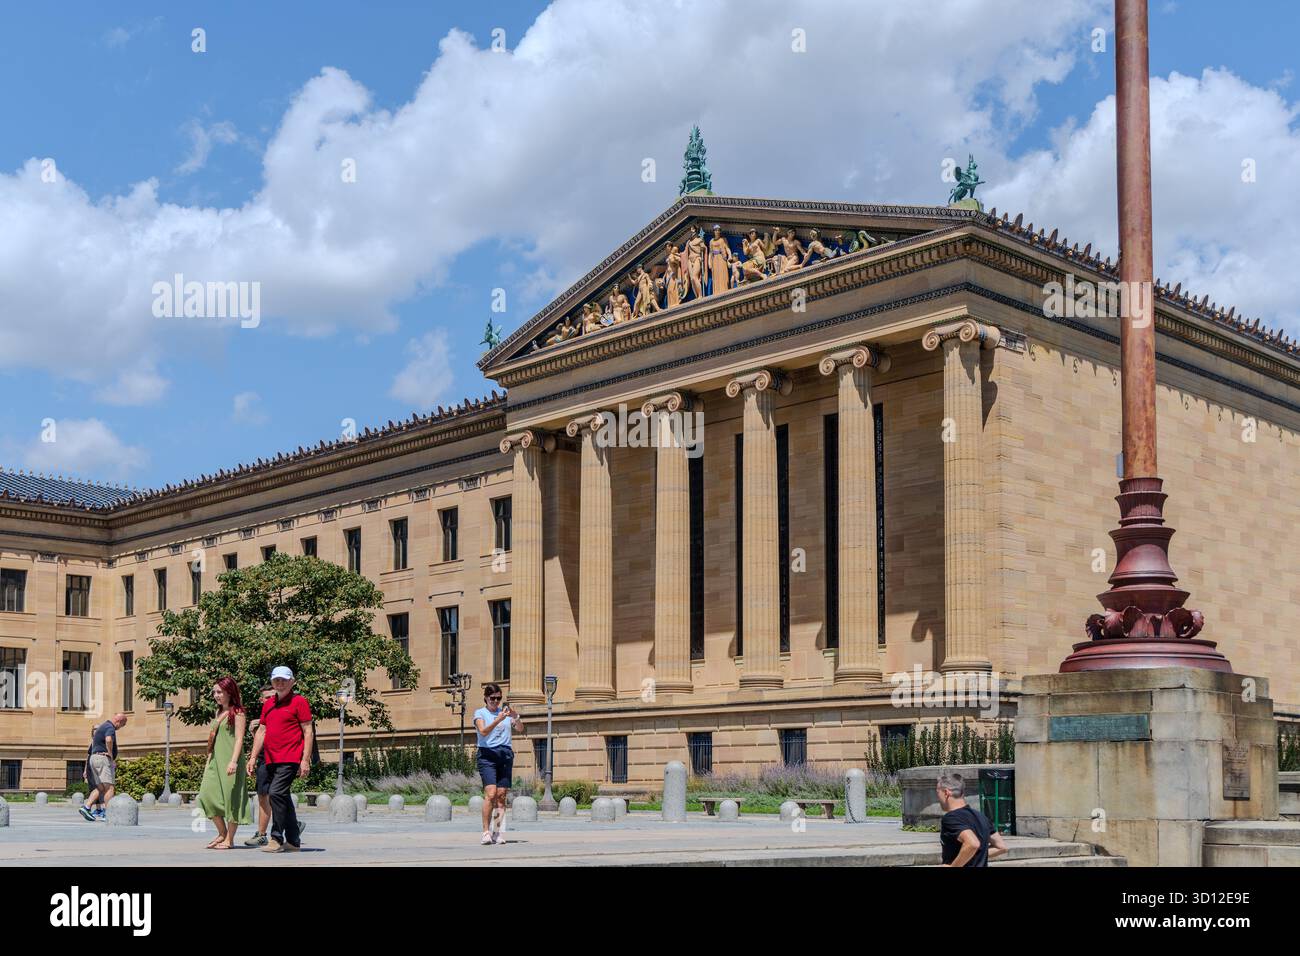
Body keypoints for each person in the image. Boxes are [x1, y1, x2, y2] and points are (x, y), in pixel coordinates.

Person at [245, 666, 312, 853]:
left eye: (284, 680)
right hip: (270, 758)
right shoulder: (268, 704)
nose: (280, 683)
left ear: (292, 682)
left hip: (290, 758)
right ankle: (293, 841)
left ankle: (275, 838)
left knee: (275, 793)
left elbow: (308, 731)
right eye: (276, 680)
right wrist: (252, 757)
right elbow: (262, 731)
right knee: (283, 797)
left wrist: (305, 759)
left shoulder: (299, 702)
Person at [197, 677, 252, 849]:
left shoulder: (238, 713)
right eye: (214, 692)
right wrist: (208, 761)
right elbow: (214, 740)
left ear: (229, 692)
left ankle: (230, 839)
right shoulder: (218, 712)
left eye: (219, 692)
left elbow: (239, 739)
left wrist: (234, 761)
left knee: (232, 798)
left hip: (231, 760)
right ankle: (222, 833)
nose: (216, 695)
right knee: (206, 795)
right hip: (215, 761)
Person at [473, 683, 522, 846]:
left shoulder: (506, 714)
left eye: (498, 698)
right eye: (492, 698)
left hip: (505, 755)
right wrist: (498, 719)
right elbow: (483, 731)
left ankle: (498, 832)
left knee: (501, 795)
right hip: (487, 755)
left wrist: (516, 717)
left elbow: (520, 729)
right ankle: (486, 832)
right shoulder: (480, 713)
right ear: (486, 698)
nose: (495, 701)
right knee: (491, 793)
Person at [937, 770, 1007, 867]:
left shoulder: (951, 818)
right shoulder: (981, 816)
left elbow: (972, 844)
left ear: (946, 792)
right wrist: (974, 855)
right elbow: (1001, 847)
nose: (938, 797)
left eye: (938, 793)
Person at [243, 686, 277, 847]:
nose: (271, 699)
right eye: (267, 697)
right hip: (264, 759)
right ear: (261, 700)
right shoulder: (262, 718)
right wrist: (252, 758)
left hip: (281, 759)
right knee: (263, 795)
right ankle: (263, 833)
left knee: (278, 794)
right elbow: (260, 735)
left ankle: (289, 824)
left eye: (273, 696)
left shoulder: (284, 711)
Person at [79, 713, 127, 822]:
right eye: (122, 725)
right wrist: (110, 755)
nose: (120, 728)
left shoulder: (103, 726)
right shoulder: (110, 727)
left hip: (94, 759)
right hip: (103, 759)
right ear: (118, 722)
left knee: (100, 788)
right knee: (109, 788)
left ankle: (86, 807)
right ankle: (107, 814)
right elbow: (109, 740)